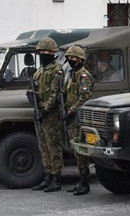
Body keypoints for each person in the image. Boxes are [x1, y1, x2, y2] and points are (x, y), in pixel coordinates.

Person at [30, 37, 65, 192]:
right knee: (43, 146)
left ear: (52, 53)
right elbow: (34, 90)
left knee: (53, 146)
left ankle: (56, 177)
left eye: (44, 52)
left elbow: (55, 93)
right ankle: (47, 176)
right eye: (40, 52)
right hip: (39, 113)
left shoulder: (57, 70)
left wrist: (45, 111)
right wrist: (30, 95)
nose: (42, 54)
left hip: (50, 114)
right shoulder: (39, 72)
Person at [62, 45, 95, 195]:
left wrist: (70, 112)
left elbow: (84, 98)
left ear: (80, 59)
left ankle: (84, 182)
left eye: (73, 58)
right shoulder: (72, 74)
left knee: (81, 150)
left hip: (79, 117)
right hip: (71, 117)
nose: (70, 60)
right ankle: (81, 180)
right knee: (76, 151)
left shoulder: (84, 76)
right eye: (68, 58)